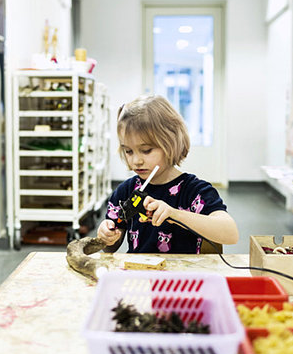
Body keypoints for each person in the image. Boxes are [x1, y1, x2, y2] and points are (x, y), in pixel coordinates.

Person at [97, 94, 238, 254]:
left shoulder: (194, 191)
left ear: (170, 143)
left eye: (146, 150)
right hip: (138, 277)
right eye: (128, 151)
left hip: (183, 277)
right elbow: (110, 248)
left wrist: (174, 214)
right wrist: (107, 236)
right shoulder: (127, 191)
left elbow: (231, 234)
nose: (136, 160)